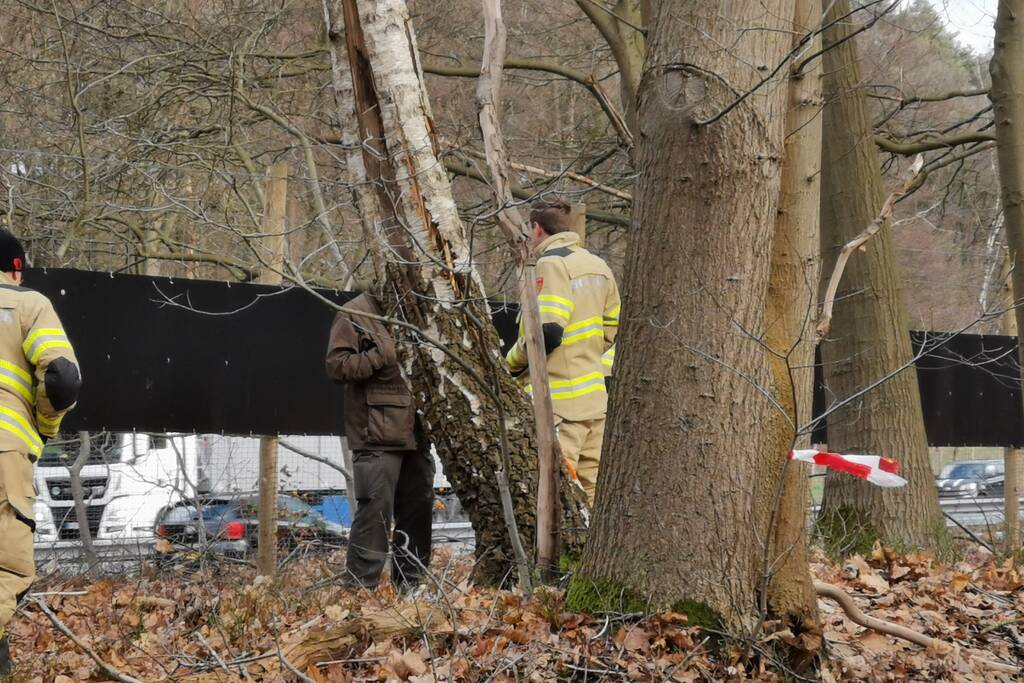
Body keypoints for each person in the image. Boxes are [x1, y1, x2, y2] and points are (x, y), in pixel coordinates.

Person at [0, 230, 81, 679]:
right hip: (4, 449)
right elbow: (62, 380)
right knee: (4, 569)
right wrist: (43, 430)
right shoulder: (29, 305)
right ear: (15, 268)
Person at [505, 198, 620, 505]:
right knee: (591, 492)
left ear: (536, 228)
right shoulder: (598, 266)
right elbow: (612, 329)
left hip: (561, 404)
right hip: (595, 402)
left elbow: (549, 331)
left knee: (560, 492)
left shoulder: (551, 263)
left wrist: (512, 364)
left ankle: (558, 554)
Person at [325, 287, 434, 591]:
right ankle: (360, 591)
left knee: (418, 510)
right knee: (374, 513)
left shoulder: (421, 304)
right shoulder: (356, 312)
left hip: (416, 432)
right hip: (376, 435)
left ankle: (412, 588)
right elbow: (336, 366)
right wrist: (378, 355)